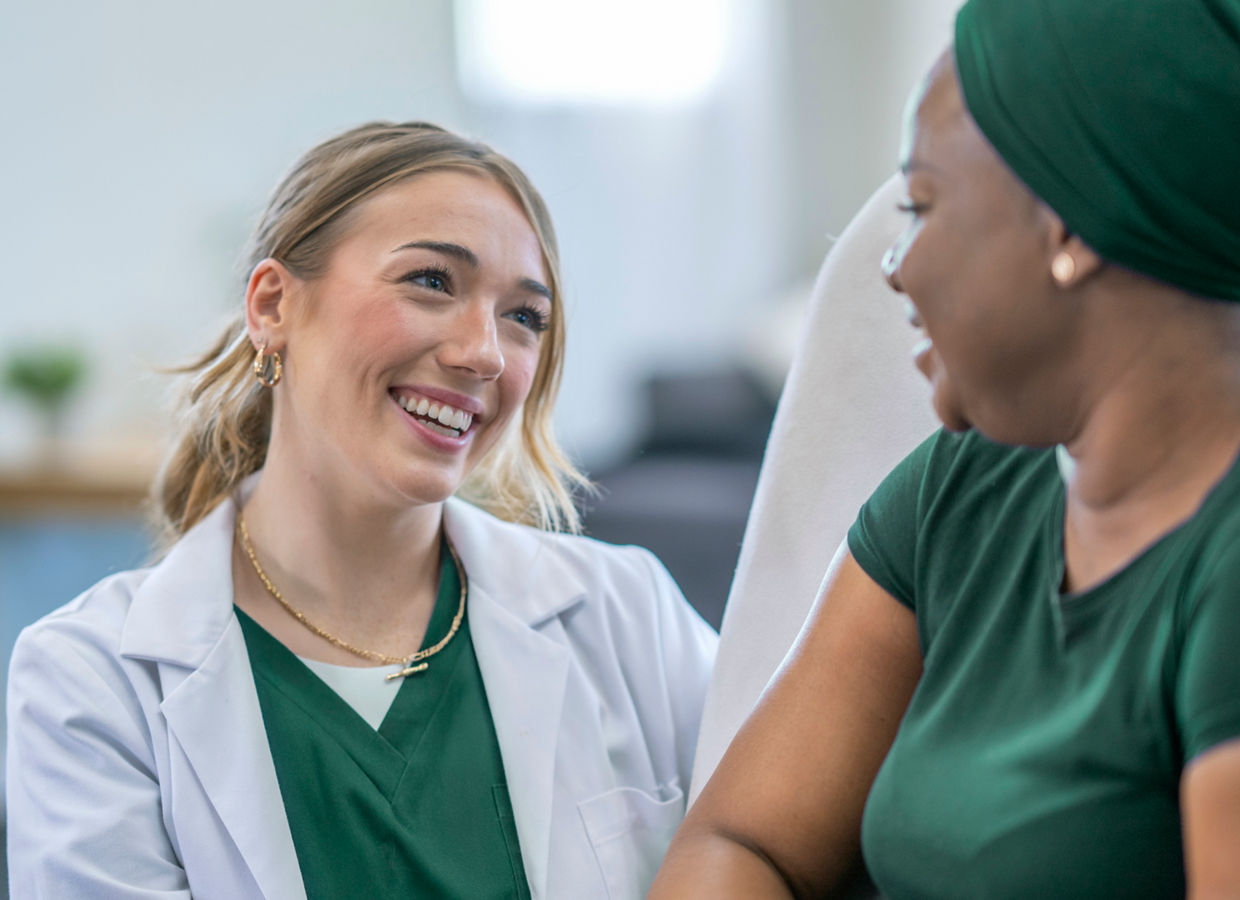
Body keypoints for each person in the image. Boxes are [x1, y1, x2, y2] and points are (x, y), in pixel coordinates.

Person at [6, 121, 717, 899]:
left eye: (524, 317)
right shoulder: (91, 684)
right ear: (273, 305)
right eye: (432, 282)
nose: (484, 352)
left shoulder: (627, 615)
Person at [651, 0, 1240, 896]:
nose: (893, 266)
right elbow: (741, 841)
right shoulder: (966, 482)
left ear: (1071, 227)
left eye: (922, 206)